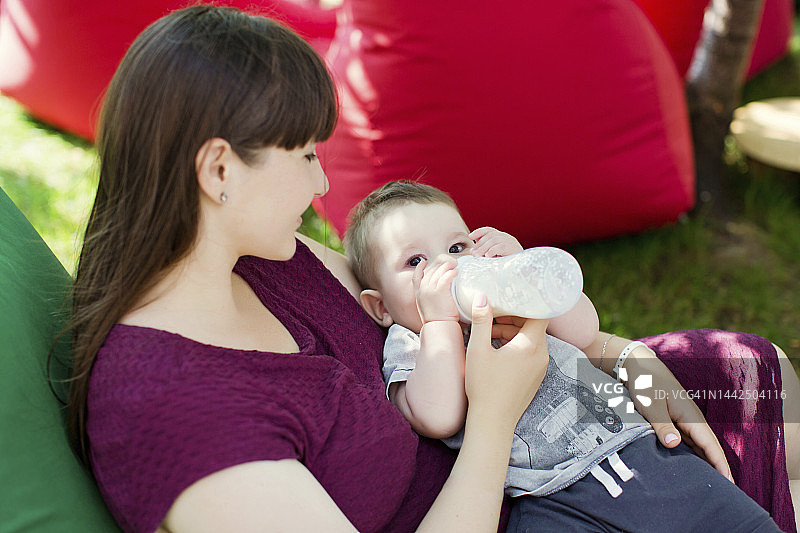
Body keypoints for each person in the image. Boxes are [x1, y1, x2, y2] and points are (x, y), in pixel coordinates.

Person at [64, 5, 799, 533]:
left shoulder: (263, 258)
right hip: (541, 496)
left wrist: (619, 352)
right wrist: (494, 423)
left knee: (753, 376)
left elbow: (447, 302)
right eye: (307, 156)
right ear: (219, 168)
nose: (323, 188)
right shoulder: (175, 412)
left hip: (566, 432)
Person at [343, 180, 784, 531]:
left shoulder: (509, 300)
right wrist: (439, 323)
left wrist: (528, 273)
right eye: (416, 261)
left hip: (636, 447)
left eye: (457, 248)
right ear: (381, 307)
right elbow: (439, 416)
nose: (447, 266)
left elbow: (584, 330)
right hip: (552, 499)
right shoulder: (412, 343)